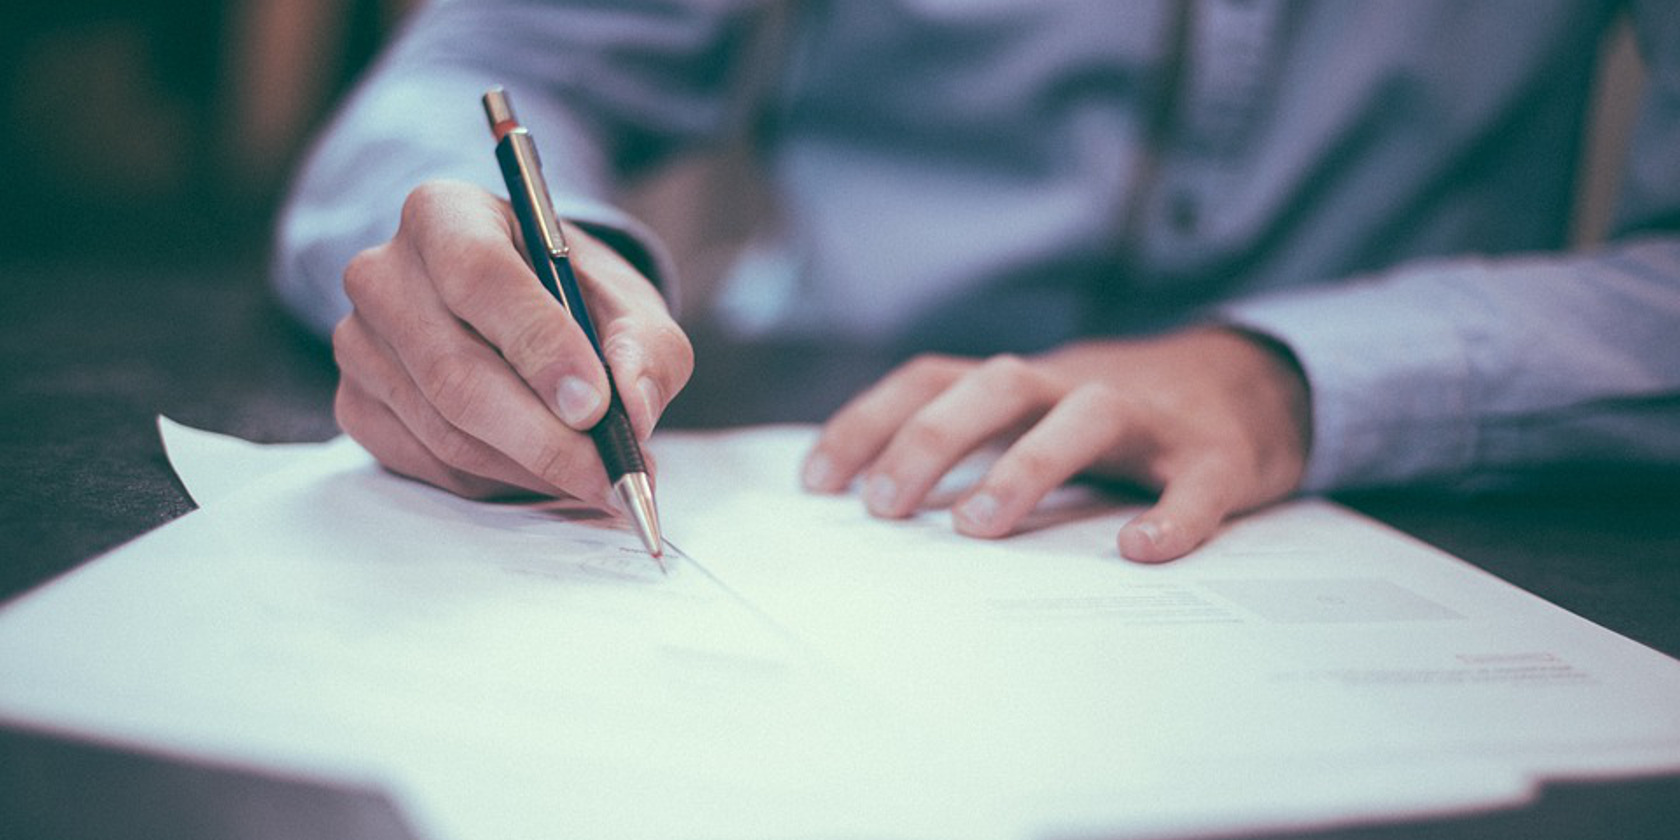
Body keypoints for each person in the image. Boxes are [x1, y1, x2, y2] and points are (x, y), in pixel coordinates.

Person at [273, 0, 1680, 563]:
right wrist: (535, 272)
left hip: (1401, 510)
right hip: (824, 450)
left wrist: (1290, 373)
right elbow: (478, 72)